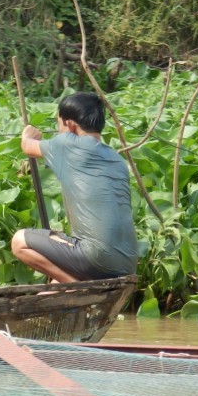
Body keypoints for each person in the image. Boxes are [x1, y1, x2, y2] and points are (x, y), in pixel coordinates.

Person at [11, 92, 138, 283]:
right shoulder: (117, 159)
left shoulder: (67, 143)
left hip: (95, 257)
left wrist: (29, 134)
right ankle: (67, 289)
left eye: (58, 124)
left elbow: (28, 146)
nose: (58, 130)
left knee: (19, 241)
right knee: (55, 280)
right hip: (127, 263)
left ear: (69, 124)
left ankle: (78, 285)